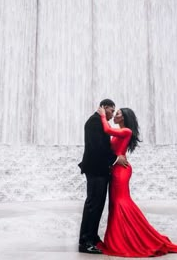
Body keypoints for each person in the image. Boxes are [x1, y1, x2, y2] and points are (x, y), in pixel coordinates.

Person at [96, 106, 177, 257]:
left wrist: (102, 116)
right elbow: (111, 142)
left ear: (124, 117)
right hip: (116, 169)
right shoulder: (119, 131)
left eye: (117, 113)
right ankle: (120, 237)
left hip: (121, 171)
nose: (115, 115)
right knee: (116, 203)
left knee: (120, 202)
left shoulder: (127, 131)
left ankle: (125, 239)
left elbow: (107, 130)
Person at [78, 99, 128, 254]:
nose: (113, 115)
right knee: (93, 205)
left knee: (98, 206)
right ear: (104, 107)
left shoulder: (100, 122)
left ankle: (92, 237)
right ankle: (85, 242)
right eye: (112, 111)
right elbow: (97, 147)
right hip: (95, 170)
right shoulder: (94, 122)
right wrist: (115, 158)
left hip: (101, 170)